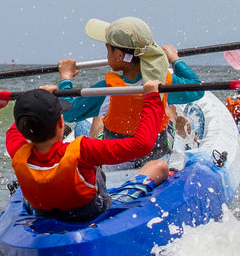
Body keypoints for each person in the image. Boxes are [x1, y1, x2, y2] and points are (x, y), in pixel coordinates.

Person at [6, 81, 172, 224]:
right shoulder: (83, 150)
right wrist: (151, 98)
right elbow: (142, 145)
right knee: (159, 166)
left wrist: (37, 99)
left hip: (44, 213)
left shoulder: (17, 149)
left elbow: (14, 131)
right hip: (92, 216)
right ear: (60, 123)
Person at [56, 16, 205, 165]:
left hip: (117, 160)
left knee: (95, 118)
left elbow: (68, 113)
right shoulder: (163, 81)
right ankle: (192, 140)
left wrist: (66, 78)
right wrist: (175, 59)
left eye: (108, 49)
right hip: (157, 154)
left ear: (120, 55)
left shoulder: (106, 89)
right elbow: (197, 88)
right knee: (169, 107)